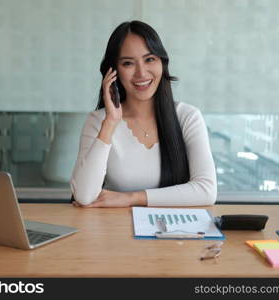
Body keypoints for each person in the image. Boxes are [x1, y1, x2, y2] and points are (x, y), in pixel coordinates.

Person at [70, 20, 216, 208]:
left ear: (162, 63)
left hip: (176, 234)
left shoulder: (187, 117)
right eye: (128, 63)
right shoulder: (98, 121)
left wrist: (132, 198)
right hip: (114, 232)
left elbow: (207, 191)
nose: (141, 73)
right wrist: (110, 123)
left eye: (149, 59)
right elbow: (83, 196)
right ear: (113, 72)